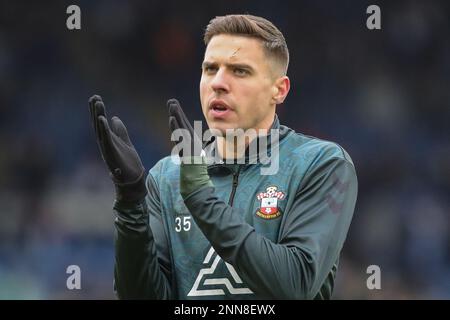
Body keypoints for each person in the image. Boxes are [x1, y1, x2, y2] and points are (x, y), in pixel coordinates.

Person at [89, 14, 357, 300]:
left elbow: (295, 285)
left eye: (239, 71)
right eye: (210, 69)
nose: (218, 82)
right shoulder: (166, 177)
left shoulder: (321, 164)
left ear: (279, 90)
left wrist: (200, 197)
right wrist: (130, 203)